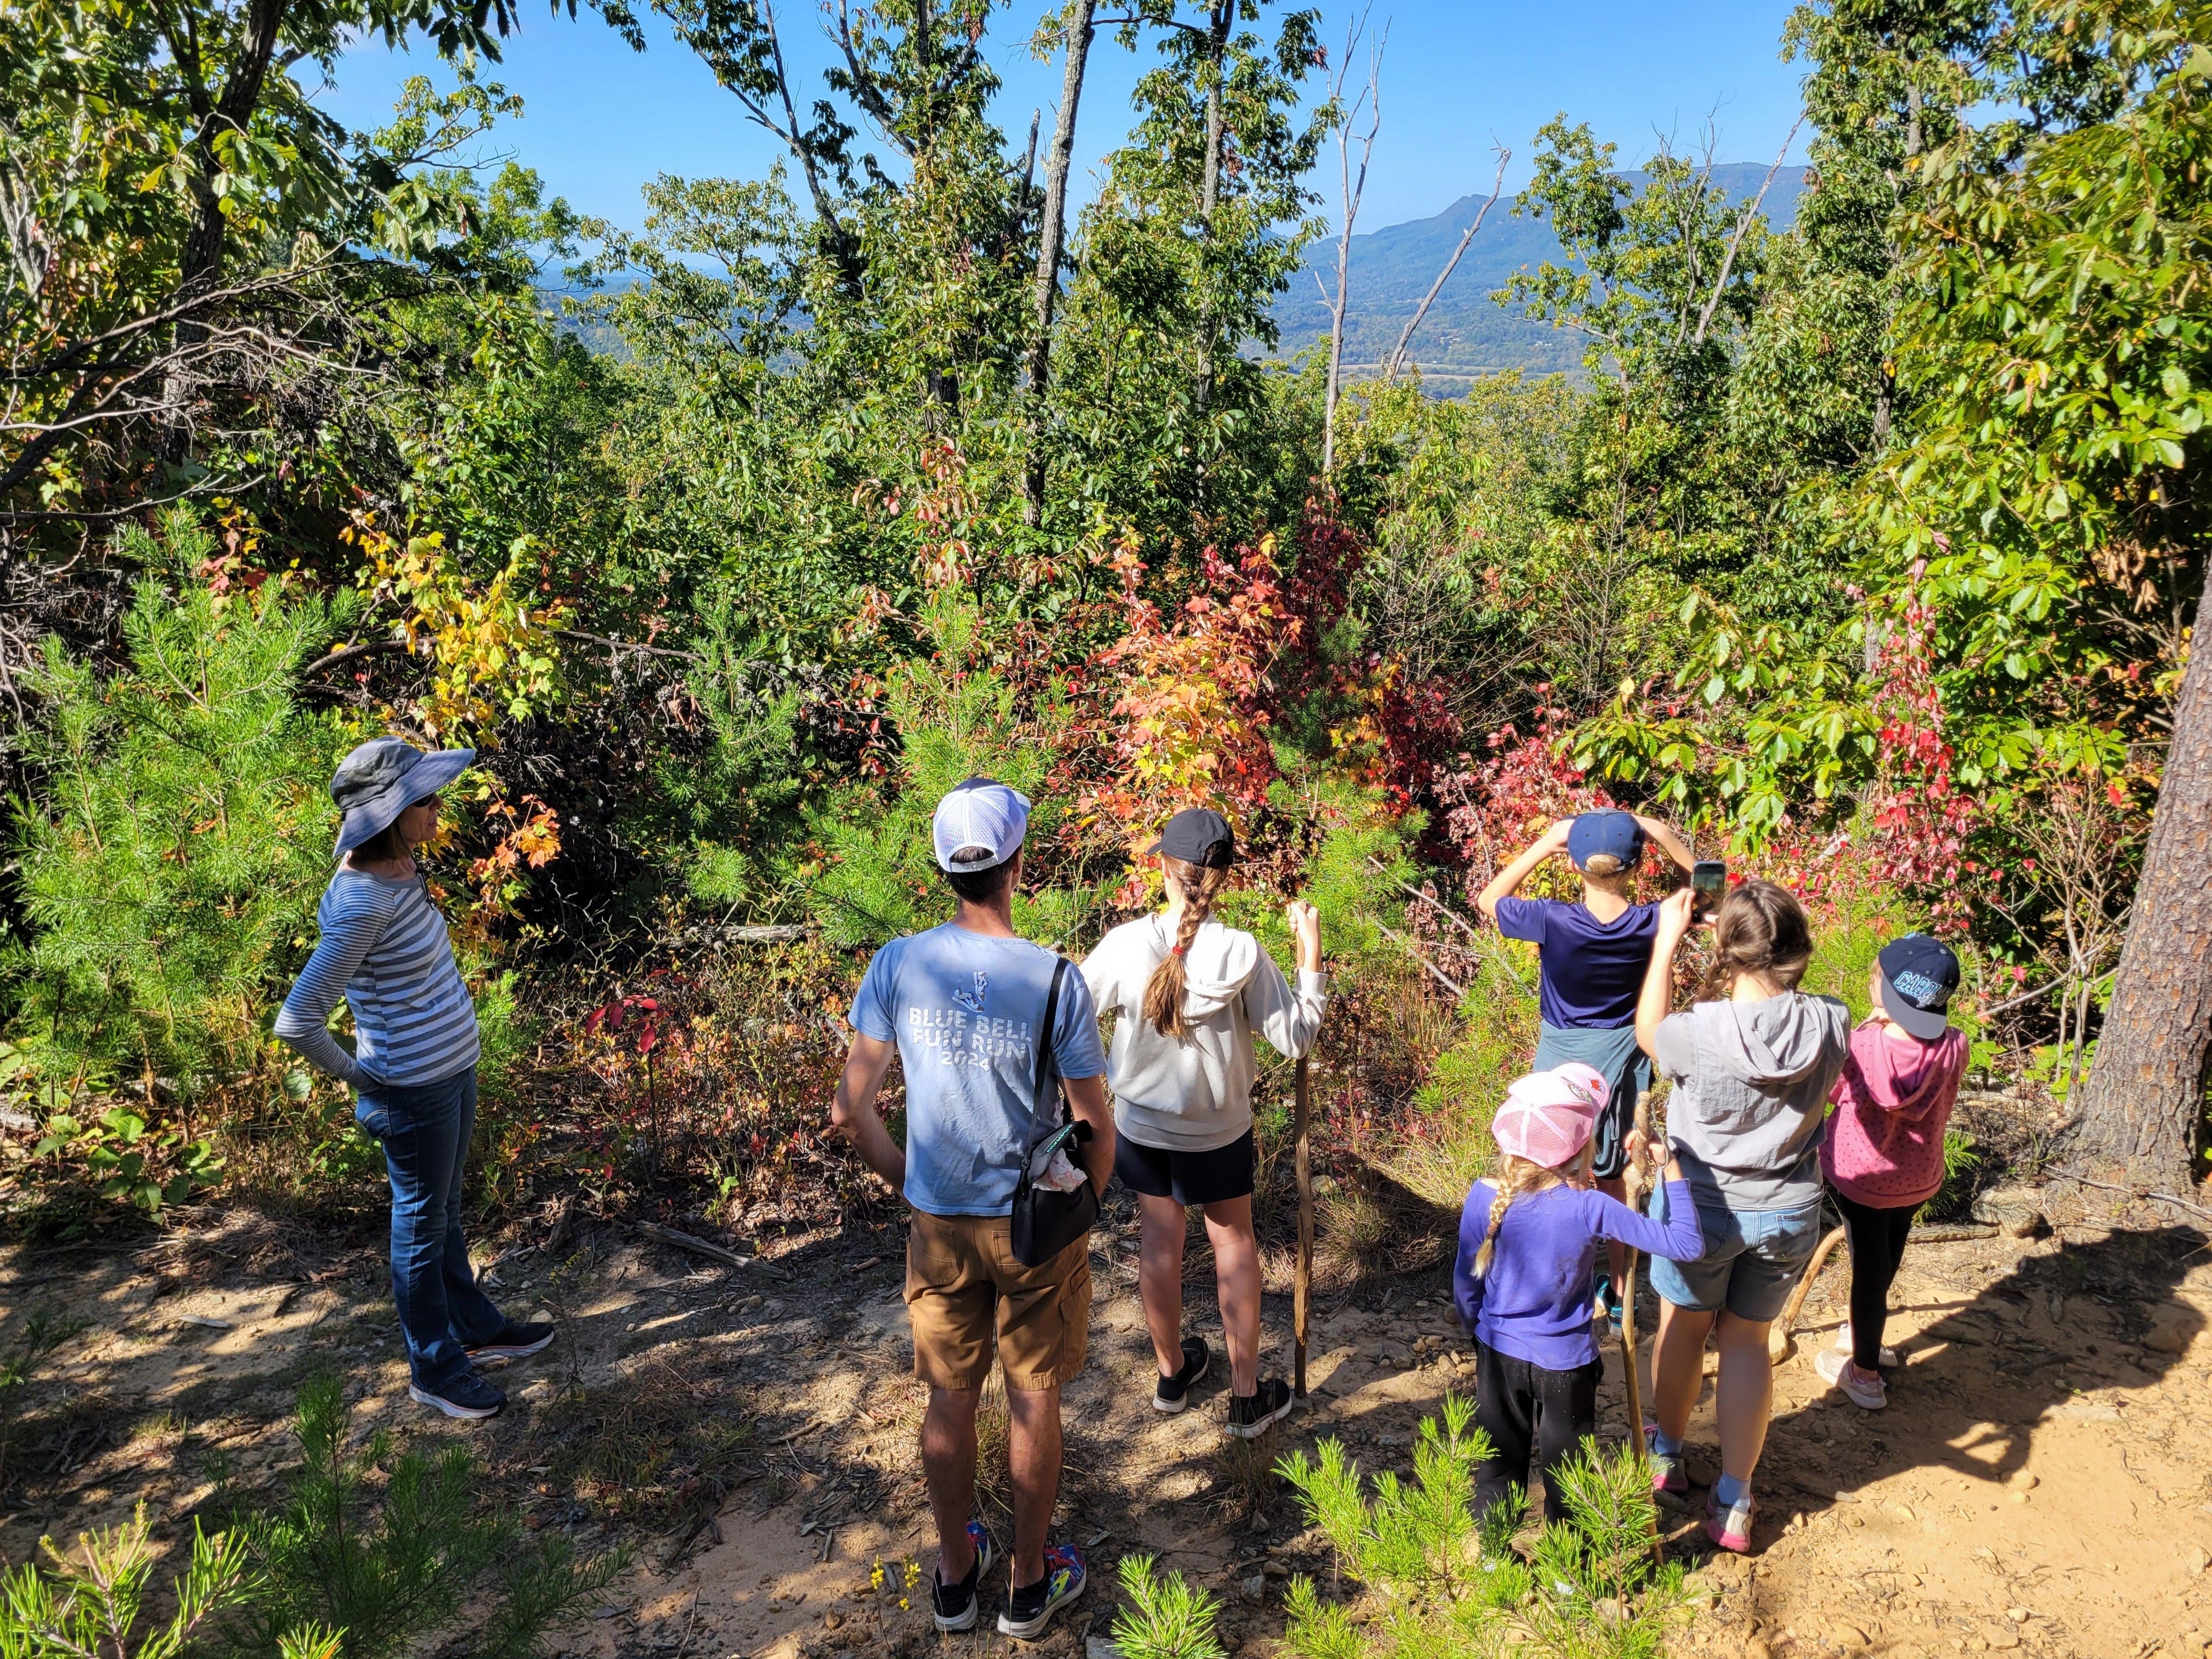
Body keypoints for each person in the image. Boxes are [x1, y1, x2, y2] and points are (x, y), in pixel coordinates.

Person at [827, 777, 1113, 1643]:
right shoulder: (1056, 979)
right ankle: (1028, 1587)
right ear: (1018, 865)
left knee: (947, 1399)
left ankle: (955, 1579)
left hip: (940, 1223)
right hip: (1032, 1225)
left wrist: (910, 1184)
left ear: (944, 869)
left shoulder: (899, 964)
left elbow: (850, 1108)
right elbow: (1095, 1125)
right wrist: (1086, 1209)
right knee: (1034, 1395)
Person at [275, 737, 554, 1421]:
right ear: (390, 812)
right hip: (412, 1089)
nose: (438, 806)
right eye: (424, 797)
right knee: (421, 1225)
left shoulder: (398, 866)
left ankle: (475, 1328)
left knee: (445, 1210)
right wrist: (365, 1080)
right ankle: (434, 1368)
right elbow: (298, 1019)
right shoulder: (364, 901)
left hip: (449, 1071)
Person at [1079, 806, 1325, 1440]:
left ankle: (1172, 1373)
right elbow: (1296, 1039)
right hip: (1217, 1129)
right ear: (1222, 880)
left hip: (1141, 1126)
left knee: (1160, 1241)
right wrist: (1311, 963)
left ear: (1163, 869)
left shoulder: (1128, 944)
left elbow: (1070, 1010)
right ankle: (1246, 1398)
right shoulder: (1241, 951)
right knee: (1233, 1243)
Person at [1634, 879, 1850, 1555]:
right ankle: (1734, 1498)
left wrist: (1668, 939)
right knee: (1749, 1345)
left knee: (1684, 1327)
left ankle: (1665, 1457)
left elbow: (1649, 1036)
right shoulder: (1831, 1021)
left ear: (1727, 949)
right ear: (1800, 950)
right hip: (1788, 1207)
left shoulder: (1697, 1033)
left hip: (1702, 1205)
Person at [1452, 1063, 1705, 1527]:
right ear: (1582, 1148)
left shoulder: (1483, 1196)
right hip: (1566, 1364)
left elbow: (1466, 1289)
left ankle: (1493, 1560)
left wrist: (1481, 1336)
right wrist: (1671, 1166)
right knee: (1567, 1477)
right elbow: (1687, 1244)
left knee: (1498, 1463)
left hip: (1497, 1353)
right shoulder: (1591, 1207)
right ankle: (1567, 1579)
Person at [1477, 809, 1695, 1316]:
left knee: (1549, 1171)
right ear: (1637, 866)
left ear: (1574, 864)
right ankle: (1619, 1295)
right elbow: (1709, 888)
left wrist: (1543, 842)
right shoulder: (1655, 920)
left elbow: (1491, 900)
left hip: (1559, 1057)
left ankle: (1558, 1282)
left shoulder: (1552, 919)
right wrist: (1660, 832)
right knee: (1618, 1174)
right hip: (1624, 1054)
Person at [1816, 934, 1968, 1410]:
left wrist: (1868, 1029)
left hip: (1861, 1179)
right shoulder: (1955, 1045)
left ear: (1886, 992)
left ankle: (1864, 1373)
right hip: (1918, 1177)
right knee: (1886, 1255)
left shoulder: (1860, 1044)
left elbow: (1832, 1093)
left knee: (1867, 1268)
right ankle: (1865, 1333)